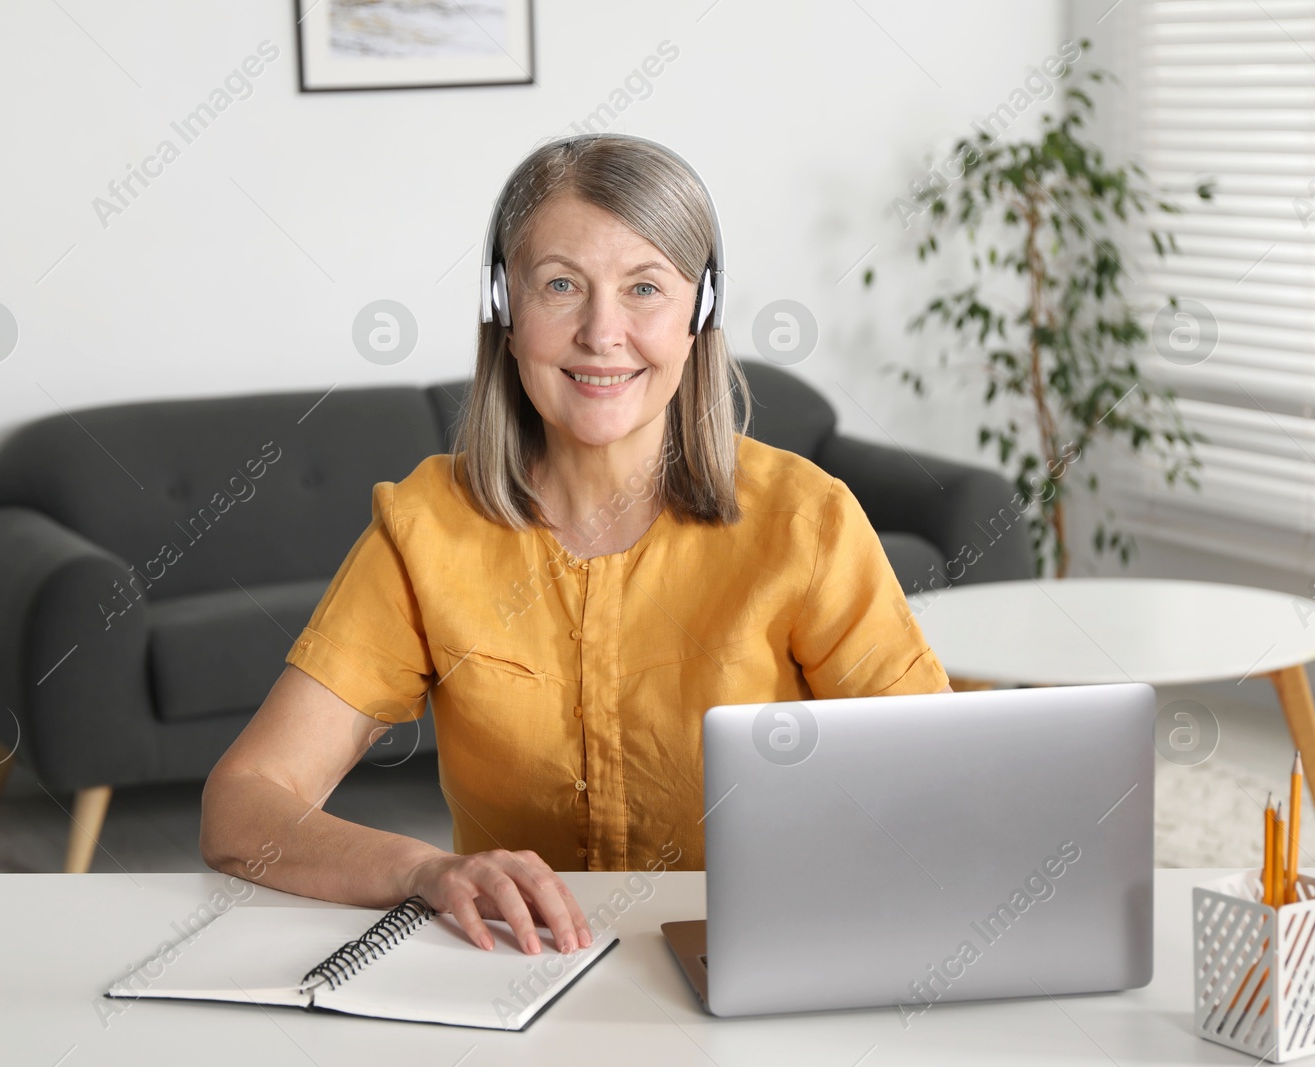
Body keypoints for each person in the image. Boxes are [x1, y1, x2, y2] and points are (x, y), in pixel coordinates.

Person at [201, 134, 952, 959]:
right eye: (560, 285)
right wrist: (426, 869)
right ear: (505, 308)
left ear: (699, 313)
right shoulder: (426, 529)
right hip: (517, 974)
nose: (603, 332)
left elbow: (936, 793)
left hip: (766, 961)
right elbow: (243, 804)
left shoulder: (806, 523)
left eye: (645, 288)